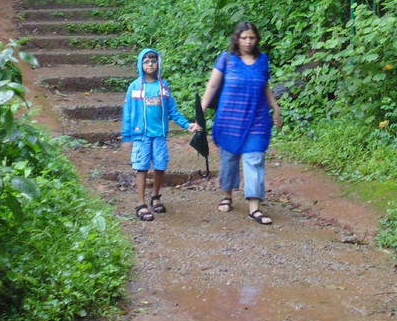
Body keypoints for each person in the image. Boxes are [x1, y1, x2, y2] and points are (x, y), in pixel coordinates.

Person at [201, 21, 282, 225]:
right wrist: (199, 113)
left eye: (252, 38)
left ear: (257, 39)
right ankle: (227, 195)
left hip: (257, 119)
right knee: (229, 159)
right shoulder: (226, 59)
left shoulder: (263, 60)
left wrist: (276, 108)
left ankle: (254, 207)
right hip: (229, 119)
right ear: (236, 38)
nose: (248, 42)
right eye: (244, 37)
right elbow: (212, 86)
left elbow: (265, 87)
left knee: (255, 160)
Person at [121, 48, 201, 221]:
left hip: (159, 135)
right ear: (140, 64)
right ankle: (140, 204)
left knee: (160, 165)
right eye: (146, 61)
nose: (150, 64)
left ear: (158, 63)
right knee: (141, 167)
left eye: (153, 60)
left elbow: (172, 109)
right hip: (141, 136)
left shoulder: (163, 86)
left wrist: (187, 124)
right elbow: (127, 113)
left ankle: (155, 196)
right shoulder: (134, 87)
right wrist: (126, 136)